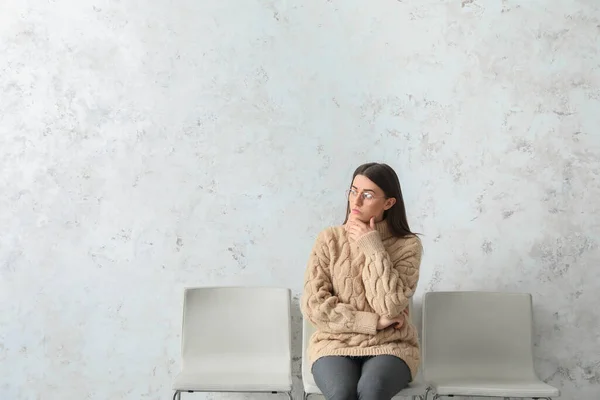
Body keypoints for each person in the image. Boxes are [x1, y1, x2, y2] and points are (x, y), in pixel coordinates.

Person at [301, 162, 423, 400]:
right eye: (353, 191)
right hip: (334, 343)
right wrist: (373, 322)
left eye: (367, 195)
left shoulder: (408, 245)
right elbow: (315, 307)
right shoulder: (329, 239)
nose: (355, 202)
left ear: (388, 203)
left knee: (372, 390)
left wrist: (373, 246)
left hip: (392, 345)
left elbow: (389, 306)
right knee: (341, 392)